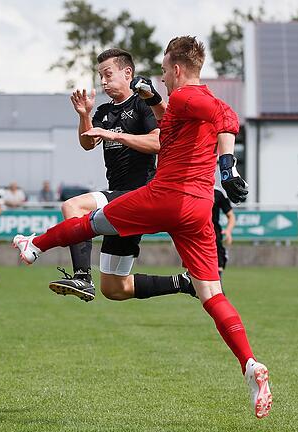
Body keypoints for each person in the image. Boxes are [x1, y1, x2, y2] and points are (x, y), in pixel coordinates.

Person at [13, 37, 271, 418]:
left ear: (178, 69)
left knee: (89, 222)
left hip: (163, 196)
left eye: (165, 70)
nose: (164, 77)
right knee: (212, 294)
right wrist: (224, 163)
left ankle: (34, 245)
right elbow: (206, 121)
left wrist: (229, 166)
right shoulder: (184, 106)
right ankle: (250, 364)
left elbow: (224, 116)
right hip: (198, 210)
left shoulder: (188, 97)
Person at [49, 47, 193, 303]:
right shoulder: (104, 111)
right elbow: (87, 143)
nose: (103, 81)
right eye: (100, 76)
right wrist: (84, 116)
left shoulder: (143, 104)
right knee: (115, 288)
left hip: (140, 195)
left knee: (73, 206)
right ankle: (183, 282)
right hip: (120, 199)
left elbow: (159, 143)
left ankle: (82, 276)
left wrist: (115, 135)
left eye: (108, 74)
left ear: (128, 73)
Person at [213, 188, 236, 279]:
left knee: (217, 276)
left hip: (215, 237)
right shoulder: (192, 189)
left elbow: (231, 216)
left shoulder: (217, 193)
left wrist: (228, 231)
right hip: (196, 238)